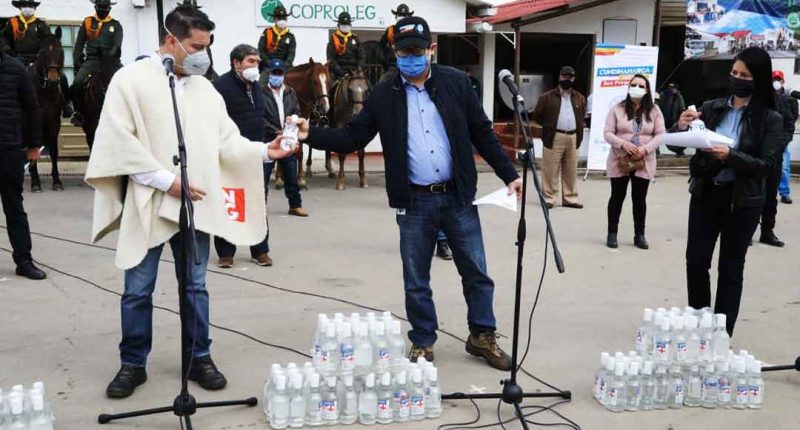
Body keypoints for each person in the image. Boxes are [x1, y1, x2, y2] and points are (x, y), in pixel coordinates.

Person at [84, 5, 293, 399]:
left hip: (193, 206)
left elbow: (227, 142)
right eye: (197, 46)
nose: (204, 56)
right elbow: (117, 144)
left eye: (208, 47)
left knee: (195, 286)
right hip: (148, 201)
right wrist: (167, 182)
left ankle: (199, 356)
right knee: (137, 288)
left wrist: (268, 151)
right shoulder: (131, 81)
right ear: (171, 41)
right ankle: (132, 363)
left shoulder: (204, 90)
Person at [297, 16, 523, 370]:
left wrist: (510, 174)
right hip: (414, 201)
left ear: (431, 51)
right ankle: (422, 339)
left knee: (477, 272)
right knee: (417, 278)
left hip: (458, 197)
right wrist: (310, 134)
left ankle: (482, 335)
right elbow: (353, 138)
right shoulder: (384, 94)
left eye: (418, 50)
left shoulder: (455, 84)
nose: (411, 57)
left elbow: (482, 132)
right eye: (404, 52)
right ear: (395, 53)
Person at [673, 47, 783, 336]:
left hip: (743, 202)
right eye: (734, 73)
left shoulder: (770, 119)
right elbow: (677, 145)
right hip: (707, 193)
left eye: (744, 75)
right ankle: (699, 326)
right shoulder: (711, 108)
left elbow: (767, 166)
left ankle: (721, 335)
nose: (737, 79)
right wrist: (681, 125)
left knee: (731, 269)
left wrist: (729, 156)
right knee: (696, 262)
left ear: (757, 79)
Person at [211, 45, 276, 269]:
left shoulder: (258, 87)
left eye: (257, 62)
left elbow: (261, 117)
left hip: (256, 153)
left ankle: (260, 250)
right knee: (230, 201)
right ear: (236, 63)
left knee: (258, 201)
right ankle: (226, 252)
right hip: (229, 154)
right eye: (250, 61)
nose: (255, 66)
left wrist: (276, 135)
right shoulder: (220, 87)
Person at [603, 74, 665, 250]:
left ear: (647, 90)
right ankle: (612, 233)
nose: (637, 88)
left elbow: (660, 134)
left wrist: (644, 149)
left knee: (639, 198)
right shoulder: (617, 108)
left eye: (641, 85)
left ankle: (640, 234)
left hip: (643, 160)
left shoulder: (654, 111)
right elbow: (607, 132)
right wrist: (623, 143)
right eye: (634, 84)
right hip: (619, 159)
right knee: (617, 196)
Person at [0, 49, 47, 280]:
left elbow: (32, 108)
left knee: (14, 207)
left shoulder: (16, 69)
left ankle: (24, 260)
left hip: (9, 148)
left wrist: (33, 144)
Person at [1, 0, 72, 118]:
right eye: (25, 6)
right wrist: (6, 48)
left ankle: (66, 106)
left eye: (30, 5)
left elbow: (49, 41)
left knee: (62, 77)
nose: (27, 8)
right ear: (20, 8)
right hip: (19, 57)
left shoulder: (41, 24)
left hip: (38, 58)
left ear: (34, 8)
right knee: (11, 78)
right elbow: (3, 38)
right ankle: (10, 106)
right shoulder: (12, 22)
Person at [531, 66, 586, 209]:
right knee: (550, 169)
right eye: (564, 76)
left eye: (570, 77)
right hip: (555, 136)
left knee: (571, 169)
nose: (567, 79)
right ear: (559, 77)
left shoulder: (579, 97)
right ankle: (549, 198)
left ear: (573, 79)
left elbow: (582, 116)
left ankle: (570, 198)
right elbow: (537, 116)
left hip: (573, 136)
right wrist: (549, 126)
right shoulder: (547, 97)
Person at [262, 58, 307, 218]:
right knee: (264, 176)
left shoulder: (290, 92)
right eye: (274, 73)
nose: (277, 76)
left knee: (291, 175)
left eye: (279, 73)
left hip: (287, 139)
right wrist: (276, 131)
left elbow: (297, 110)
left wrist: (294, 119)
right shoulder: (261, 92)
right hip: (268, 140)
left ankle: (295, 205)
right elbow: (260, 117)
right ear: (269, 73)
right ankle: (260, 208)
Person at [757, 70, 797, 247]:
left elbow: (789, 125)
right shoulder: (757, 100)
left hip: (775, 156)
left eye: (778, 80)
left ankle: (767, 231)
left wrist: (780, 145)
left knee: (771, 196)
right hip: (756, 155)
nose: (775, 83)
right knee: (752, 194)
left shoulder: (786, 101)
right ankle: (747, 230)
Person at [70, 0, 123, 127]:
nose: (103, 10)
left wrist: (108, 57)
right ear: (96, 7)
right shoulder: (87, 22)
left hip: (111, 61)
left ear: (109, 8)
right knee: (77, 83)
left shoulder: (116, 25)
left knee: (127, 81)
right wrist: (77, 62)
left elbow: (117, 45)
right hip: (92, 60)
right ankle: (78, 113)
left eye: (106, 8)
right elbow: (79, 45)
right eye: (101, 7)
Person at [775, 71, 797, 206]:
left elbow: (793, 118)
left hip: (783, 137)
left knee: (784, 166)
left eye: (779, 79)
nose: (776, 82)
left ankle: (784, 193)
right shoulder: (766, 98)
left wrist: (785, 138)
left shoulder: (790, 99)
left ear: (783, 81)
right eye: (774, 79)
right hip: (767, 137)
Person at [378, 3, 413, 81]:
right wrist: (385, 62)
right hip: (393, 66)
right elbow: (381, 46)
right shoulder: (390, 30)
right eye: (400, 15)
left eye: (404, 15)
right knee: (382, 84)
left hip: (409, 65)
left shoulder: (412, 31)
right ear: (396, 16)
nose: (402, 17)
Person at [327, 12, 364, 83]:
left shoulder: (355, 38)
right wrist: (339, 70)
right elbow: (330, 58)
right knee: (329, 84)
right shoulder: (333, 39)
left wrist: (359, 68)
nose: (346, 26)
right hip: (338, 71)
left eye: (347, 24)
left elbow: (361, 56)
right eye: (343, 24)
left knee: (367, 85)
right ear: (338, 25)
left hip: (354, 71)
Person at [257, 5, 296, 74]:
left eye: (284, 18)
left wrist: (285, 64)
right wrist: (269, 62)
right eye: (279, 18)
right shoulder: (267, 32)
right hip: (268, 65)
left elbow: (291, 53)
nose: (282, 20)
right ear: (274, 19)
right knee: (263, 81)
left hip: (284, 66)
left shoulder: (290, 36)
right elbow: (261, 49)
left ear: (286, 19)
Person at [659, 82, 687, 156]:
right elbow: (659, 107)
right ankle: (657, 152)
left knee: (678, 137)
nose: (671, 90)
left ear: (676, 89)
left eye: (673, 88)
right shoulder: (663, 95)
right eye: (670, 88)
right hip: (663, 119)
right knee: (658, 135)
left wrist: (680, 120)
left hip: (675, 120)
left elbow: (682, 108)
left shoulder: (679, 97)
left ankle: (680, 151)